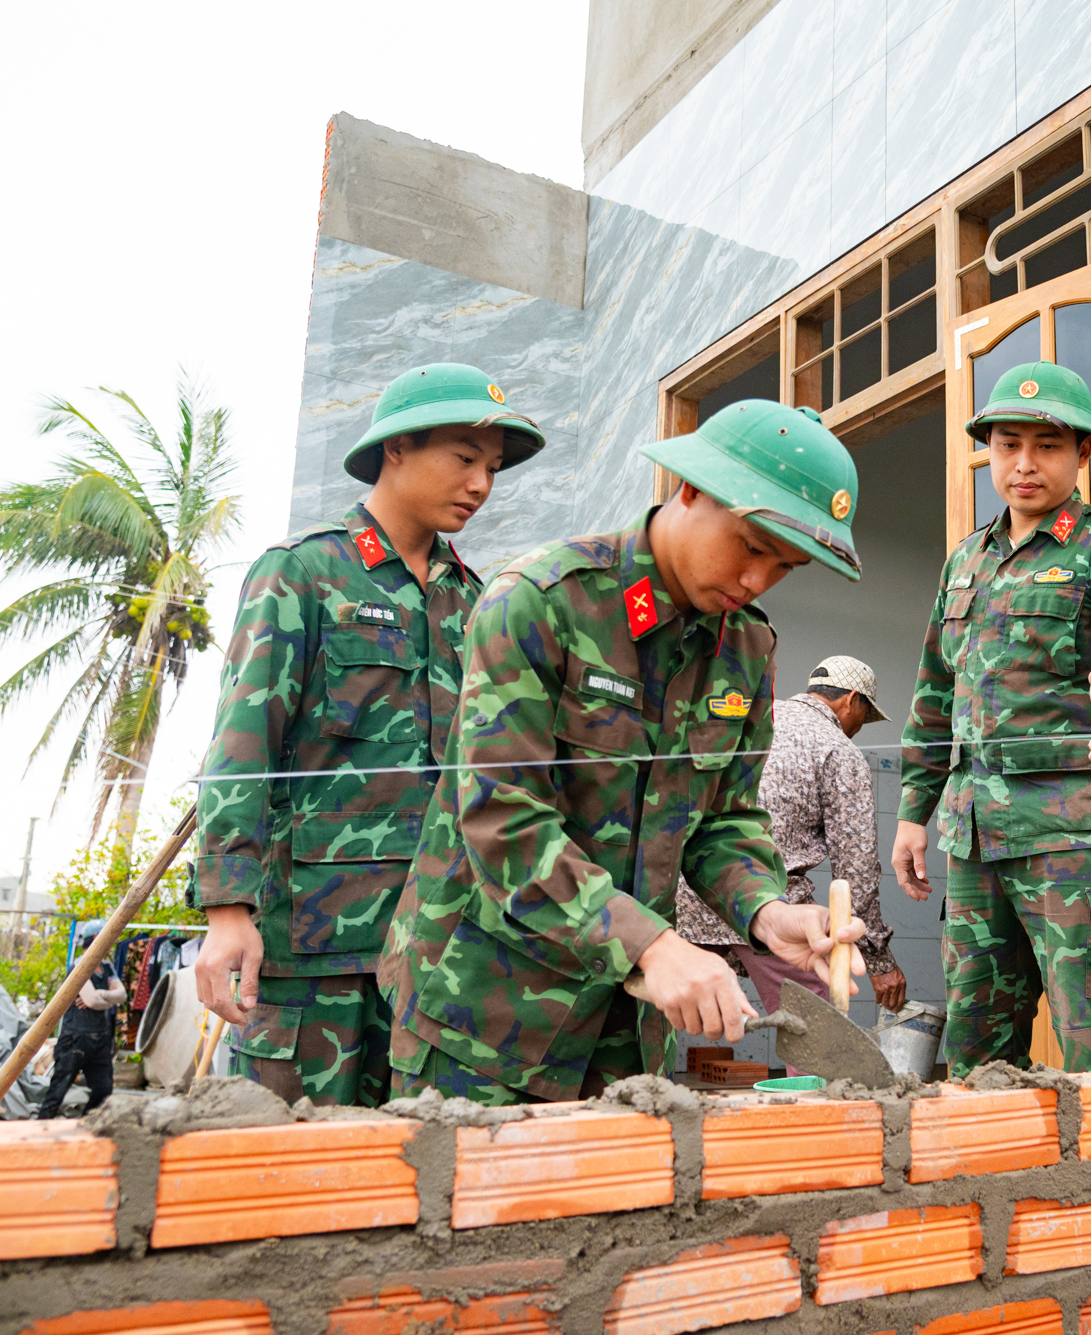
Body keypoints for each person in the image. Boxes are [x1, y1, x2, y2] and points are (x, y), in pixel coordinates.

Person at [383, 399, 870, 1104]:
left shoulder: (747, 645)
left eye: (786, 567)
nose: (757, 580)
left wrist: (768, 912)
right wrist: (654, 945)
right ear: (692, 489)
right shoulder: (541, 602)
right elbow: (502, 820)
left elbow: (725, 821)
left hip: (624, 1028)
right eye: (751, 546)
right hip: (484, 1012)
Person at [192, 363, 546, 1107]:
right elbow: (242, 744)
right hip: (313, 951)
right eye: (464, 457)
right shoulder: (305, 572)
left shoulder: (475, 600)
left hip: (438, 949)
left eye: (492, 467)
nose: (481, 483)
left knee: (417, 1156)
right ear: (396, 448)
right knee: (290, 1158)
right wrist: (227, 911)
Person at [893, 363, 1091, 1076]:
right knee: (975, 1051)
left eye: (1048, 446)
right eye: (1008, 445)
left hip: (1074, 840)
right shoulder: (966, 561)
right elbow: (935, 692)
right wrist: (913, 811)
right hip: (975, 844)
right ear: (989, 451)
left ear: (1083, 452)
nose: (1024, 464)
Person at [675, 654, 907, 1015]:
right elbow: (856, 869)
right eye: (865, 714)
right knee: (814, 1024)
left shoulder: (755, 719)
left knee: (664, 1018)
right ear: (852, 701)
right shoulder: (839, 749)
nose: (861, 726)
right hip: (771, 903)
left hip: (692, 896)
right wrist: (878, 959)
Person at [35, 930, 126, 1118]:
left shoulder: (107, 967)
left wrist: (101, 995)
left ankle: (86, 1124)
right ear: (96, 939)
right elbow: (92, 1001)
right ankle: (40, 1127)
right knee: (58, 1090)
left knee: (103, 1089)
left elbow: (121, 995)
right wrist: (109, 999)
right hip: (75, 1039)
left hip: (99, 1039)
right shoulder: (80, 966)